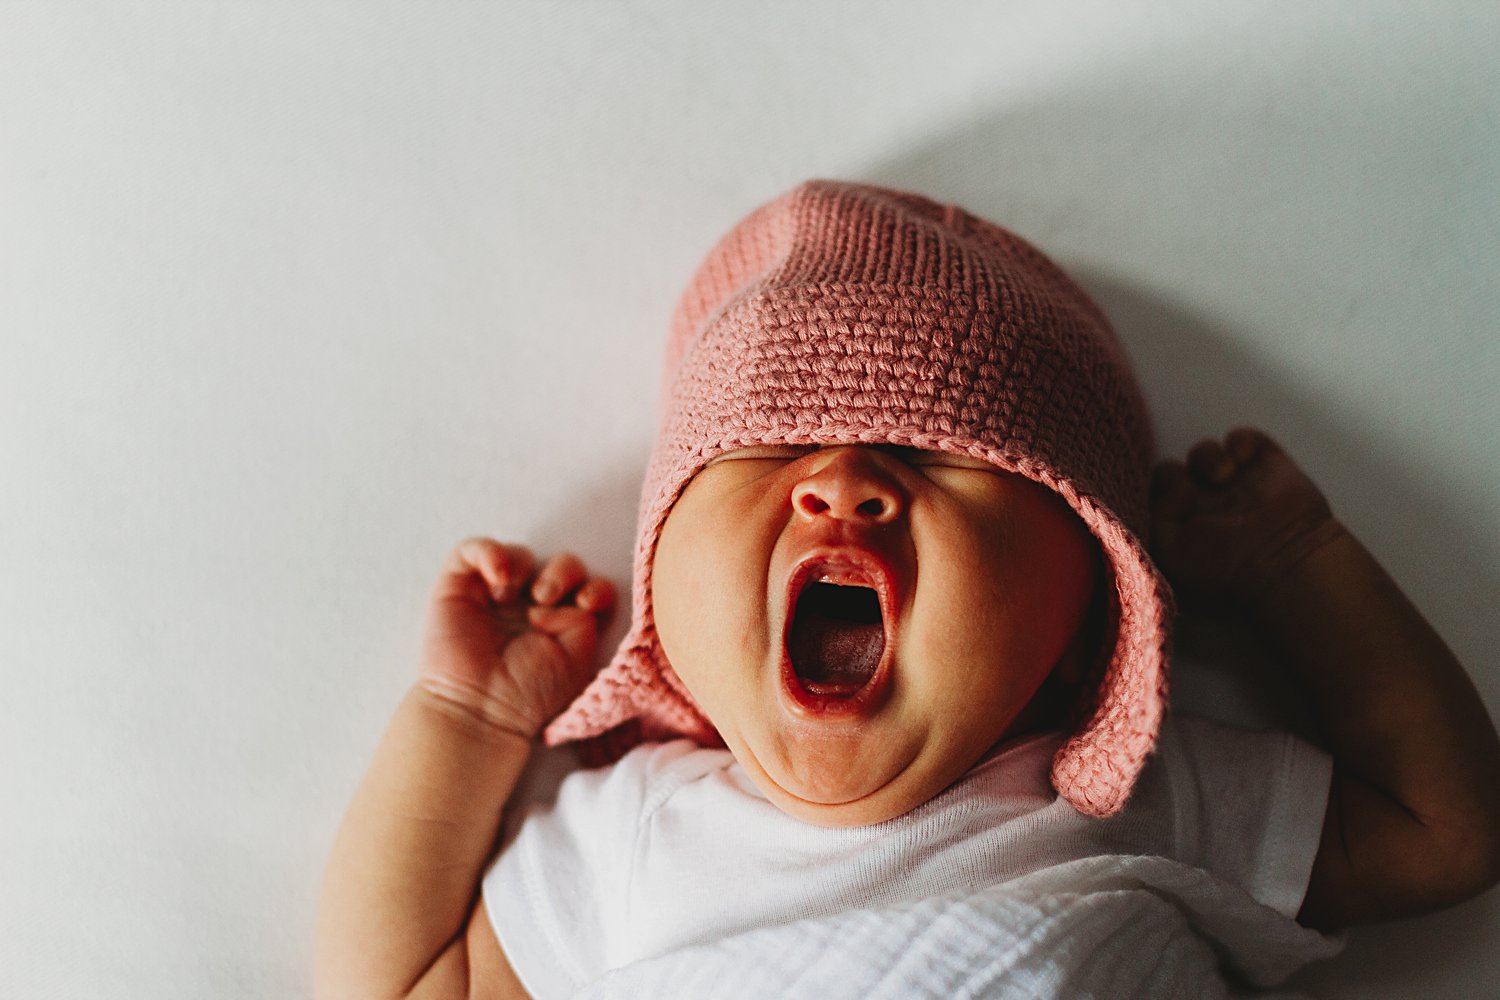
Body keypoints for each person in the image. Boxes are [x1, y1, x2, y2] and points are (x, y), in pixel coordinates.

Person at [315, 182, 1500, 999]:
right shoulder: (640, 832)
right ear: (665, 607)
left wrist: (1301, 570)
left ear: (1091, 621)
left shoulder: (1144, 799)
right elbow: (418, 983)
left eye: (941, 458)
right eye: (772, 449)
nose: (841, 482)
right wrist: (467, 722)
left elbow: (1446, 836)